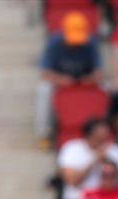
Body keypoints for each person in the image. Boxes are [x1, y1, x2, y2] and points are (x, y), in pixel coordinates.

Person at [35, 11, 102, 145]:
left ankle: (101, 133)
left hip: (84, 81)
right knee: (44, 89)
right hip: (60, 81)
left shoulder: (91, 43)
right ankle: (43, 134)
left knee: (107, 90)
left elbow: (99, 73)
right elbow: (44, 72)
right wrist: (61, 80)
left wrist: (88, 79)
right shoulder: (54, 42)